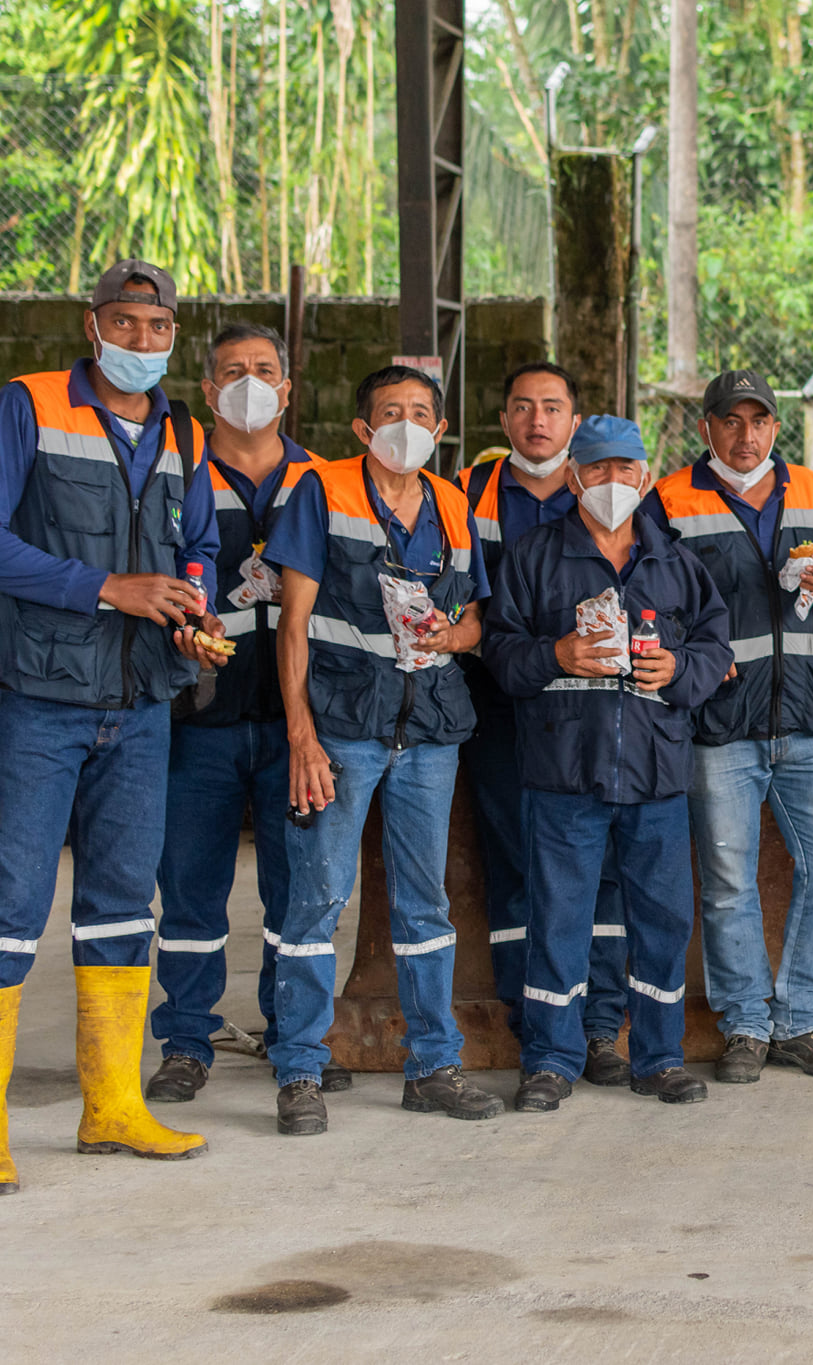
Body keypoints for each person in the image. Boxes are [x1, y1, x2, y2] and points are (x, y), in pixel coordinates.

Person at [0, 259, 223, 1192]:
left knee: (125, 904)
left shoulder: (184, 430)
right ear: (91, 325)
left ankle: (113, 1107)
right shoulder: (28, 404)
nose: (141, 340)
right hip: (41, 699)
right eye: (124, 322)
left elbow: (200, 542)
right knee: (10, 909)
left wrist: (192, 607)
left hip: (141, 706)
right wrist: (105, 588)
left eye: (157, 325)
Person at [264, 364, 499, 1136]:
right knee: (318, 898)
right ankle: (299, 1066)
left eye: (421, 413)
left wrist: (450, 633)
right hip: (341, 729)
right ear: (364, 430)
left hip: (428, 731)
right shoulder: (321, 491)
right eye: (390, 412)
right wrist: (301, 734)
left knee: (425, 903)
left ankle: (433, 1063)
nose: (407, 424)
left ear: (440, 429)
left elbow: (472, 621)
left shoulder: (456, 505)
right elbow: (292, 623)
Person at [485, 415, 732, 1111]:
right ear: (573, 477)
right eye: (597, 469)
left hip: (656, 775)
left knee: (663, 922)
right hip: (563, 771)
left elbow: (716, 648)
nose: (612, 482)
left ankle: (658, 1057)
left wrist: (679, 666)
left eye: (626, 469)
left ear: (646, 477)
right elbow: (500, 652)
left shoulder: (674, 562)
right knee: (557, 917)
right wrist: (556, 654)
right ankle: (550, 1060)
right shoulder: (534, 557)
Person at [149, 324, 344, 1103]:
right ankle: (187, 1038)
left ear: (289, 389)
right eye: (234, 371)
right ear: (208, 390)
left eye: (265, 370)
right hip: (200, 717)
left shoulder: (326, 482)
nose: (251, 382)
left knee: (293, 893)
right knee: (191, 888)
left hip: (300, 722)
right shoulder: (177, 473)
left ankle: (286, 1029)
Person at [653, 370, 813, 1084]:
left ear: (775, 427)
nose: (748, 436)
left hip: (809, 716)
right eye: (732, 422)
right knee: (726, 881)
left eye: (760, 422)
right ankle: (745, 1022)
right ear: (707, 427)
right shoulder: (670, 501)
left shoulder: (807, 487)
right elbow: (650, 602)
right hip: (720, 725)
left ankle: (800, 1018)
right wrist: (694, 661)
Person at [458, 362, 632, 1088]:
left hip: (595, 721)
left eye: (553, 408)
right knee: (519, 869)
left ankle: (599, 1026)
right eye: (523, 406)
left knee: (604, 873)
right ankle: (537, 1022)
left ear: (574, 420)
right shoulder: (463, 496)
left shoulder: (607, 493)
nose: (537, 420)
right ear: (503, 420)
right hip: (499, 713)